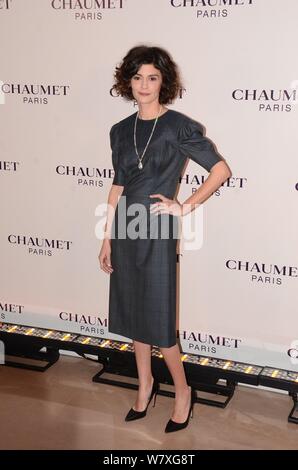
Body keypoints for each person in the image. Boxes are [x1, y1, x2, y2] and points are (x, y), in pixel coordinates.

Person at [99, 45, 232, 433]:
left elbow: (220, 170)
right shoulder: (120, 131)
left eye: (152, 77)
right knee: (133, 313)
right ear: (128, 81)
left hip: (156, 229)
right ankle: (144, 387)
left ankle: (183, 392)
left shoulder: (178, 126)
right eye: (137, 77)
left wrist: (183, 206)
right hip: (126, 225)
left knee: (158, 320)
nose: (144, 85)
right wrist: (106, 236)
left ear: (164, 82)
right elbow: (117, 186)